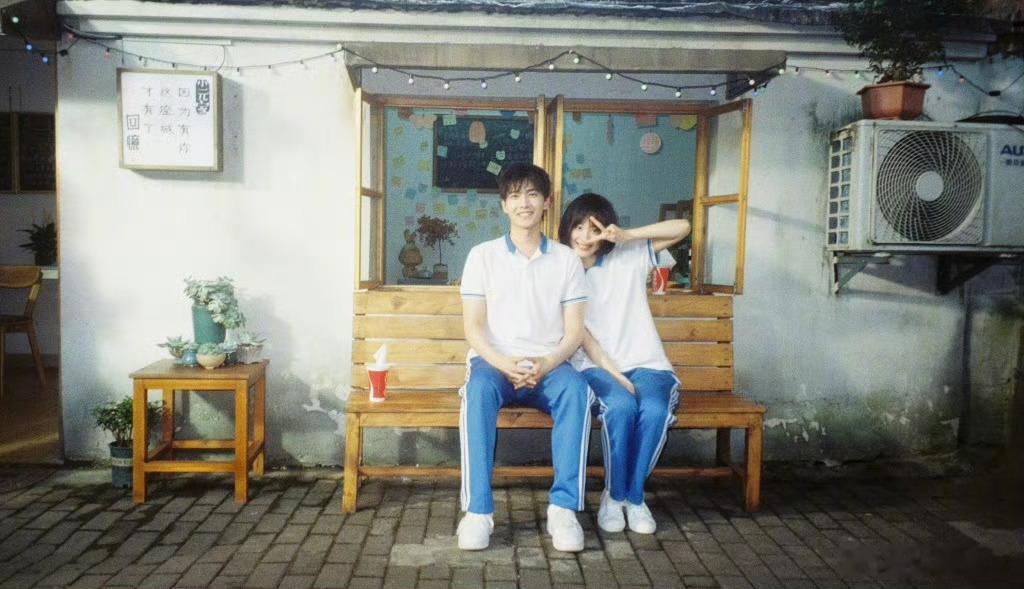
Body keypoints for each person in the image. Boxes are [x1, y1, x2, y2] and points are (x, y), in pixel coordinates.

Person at [457, 163, 593, 552]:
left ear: (547, 202)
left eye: (533, 194)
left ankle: (563, 509)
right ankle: (478, 512)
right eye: (515, 195)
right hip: (494, 364)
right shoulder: (482, 256)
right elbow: (474, 329)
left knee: (577, 392)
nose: (524, 203)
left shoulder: (566, 260)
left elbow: (574, 332)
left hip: (550, 364)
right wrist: (505, 364)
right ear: (504, 205)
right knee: (476, 393)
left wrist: (547, 363)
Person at [557, 193, 691, 534]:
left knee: (655, 411)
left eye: (594, 229)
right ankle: (615, 494)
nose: (585, 237)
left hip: (648, 364)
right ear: (566, 228)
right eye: (578, 227)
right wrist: (613, 373)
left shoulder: (628, 255)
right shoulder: (559, 270)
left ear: (607, 230)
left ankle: (631, 497)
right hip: (594, 367)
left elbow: (683, 227)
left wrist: (628, 235)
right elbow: (580, 334)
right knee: (620, 407)